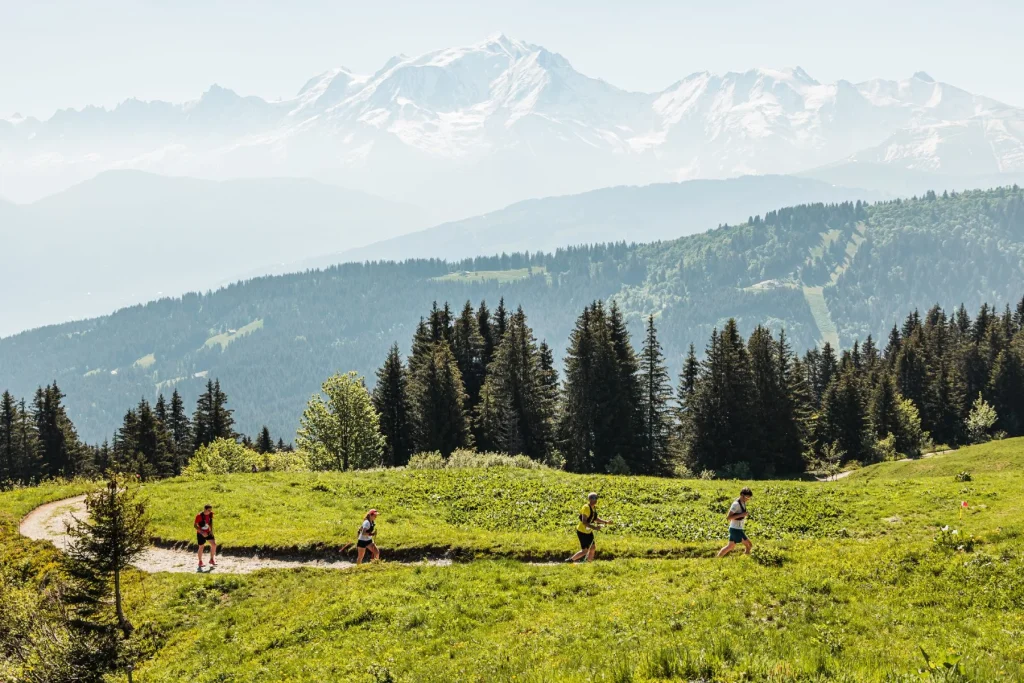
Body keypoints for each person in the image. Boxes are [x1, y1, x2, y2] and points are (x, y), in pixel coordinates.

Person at [566, 492, 612, 563]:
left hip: (588, 531)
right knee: (584, 551)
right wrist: (595, 528)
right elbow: (584, 522)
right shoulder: (586, 507)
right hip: (582, 532)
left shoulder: (593, 508)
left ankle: (589, 564)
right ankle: (570, 560)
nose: (595, 500)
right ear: (590, 499)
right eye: (594, 498)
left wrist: (606, 522)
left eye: (596, 498)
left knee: (593, 548)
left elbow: (595, 518)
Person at [717, 487, 753, 557]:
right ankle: (744, 560)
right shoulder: (736, 504)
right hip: (736, 529)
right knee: (749, 545)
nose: (747, 499)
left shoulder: (743, 502)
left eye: (749, 498)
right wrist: (742, 514)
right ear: (742, 495)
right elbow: (729, 517)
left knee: (730, 547)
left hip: (737, 528)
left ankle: (717, 558)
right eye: (746, 497)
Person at [194, 504, 216, 570]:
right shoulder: (199, 516)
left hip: (208, 532)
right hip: (200, 533)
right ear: (205, 509)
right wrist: (202, 532)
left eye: (211, 510)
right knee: (201, 546)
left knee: (214, 545)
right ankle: (200, 561)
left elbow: (210, 522)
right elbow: (195, 525)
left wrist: (211, 530)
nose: (210, 511)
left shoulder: (210, 514)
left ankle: (211, 559)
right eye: (209, 510)